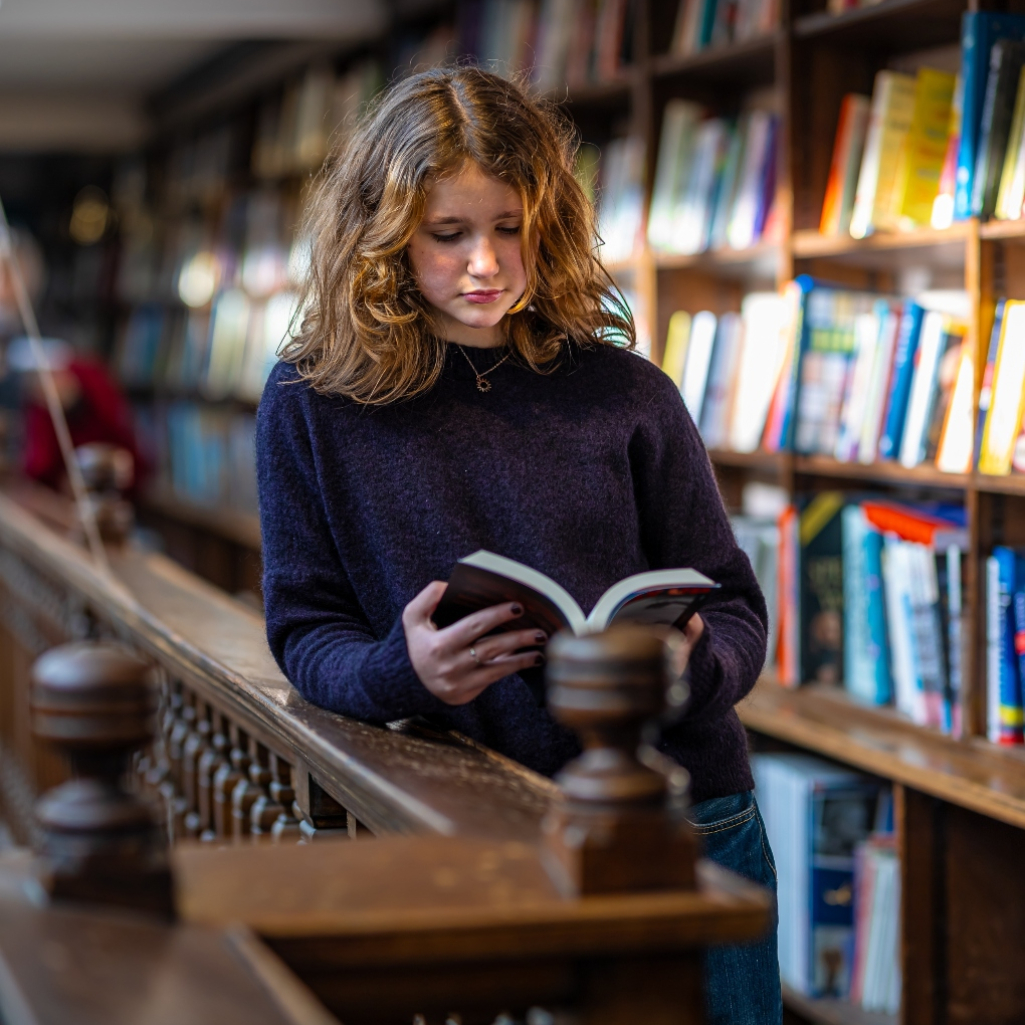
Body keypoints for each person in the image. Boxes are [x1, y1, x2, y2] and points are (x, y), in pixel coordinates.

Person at [256, 66, 780, 1024]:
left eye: (510, 229)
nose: (485, 263)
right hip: (470, 819)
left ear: (551, 225)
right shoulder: (312, 402)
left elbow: (737, 607)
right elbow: (303, 628)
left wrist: (693, 668)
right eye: (447, 234)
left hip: (681, 811)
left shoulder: (629, 392)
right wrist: (401, 669)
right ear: (382, 236)